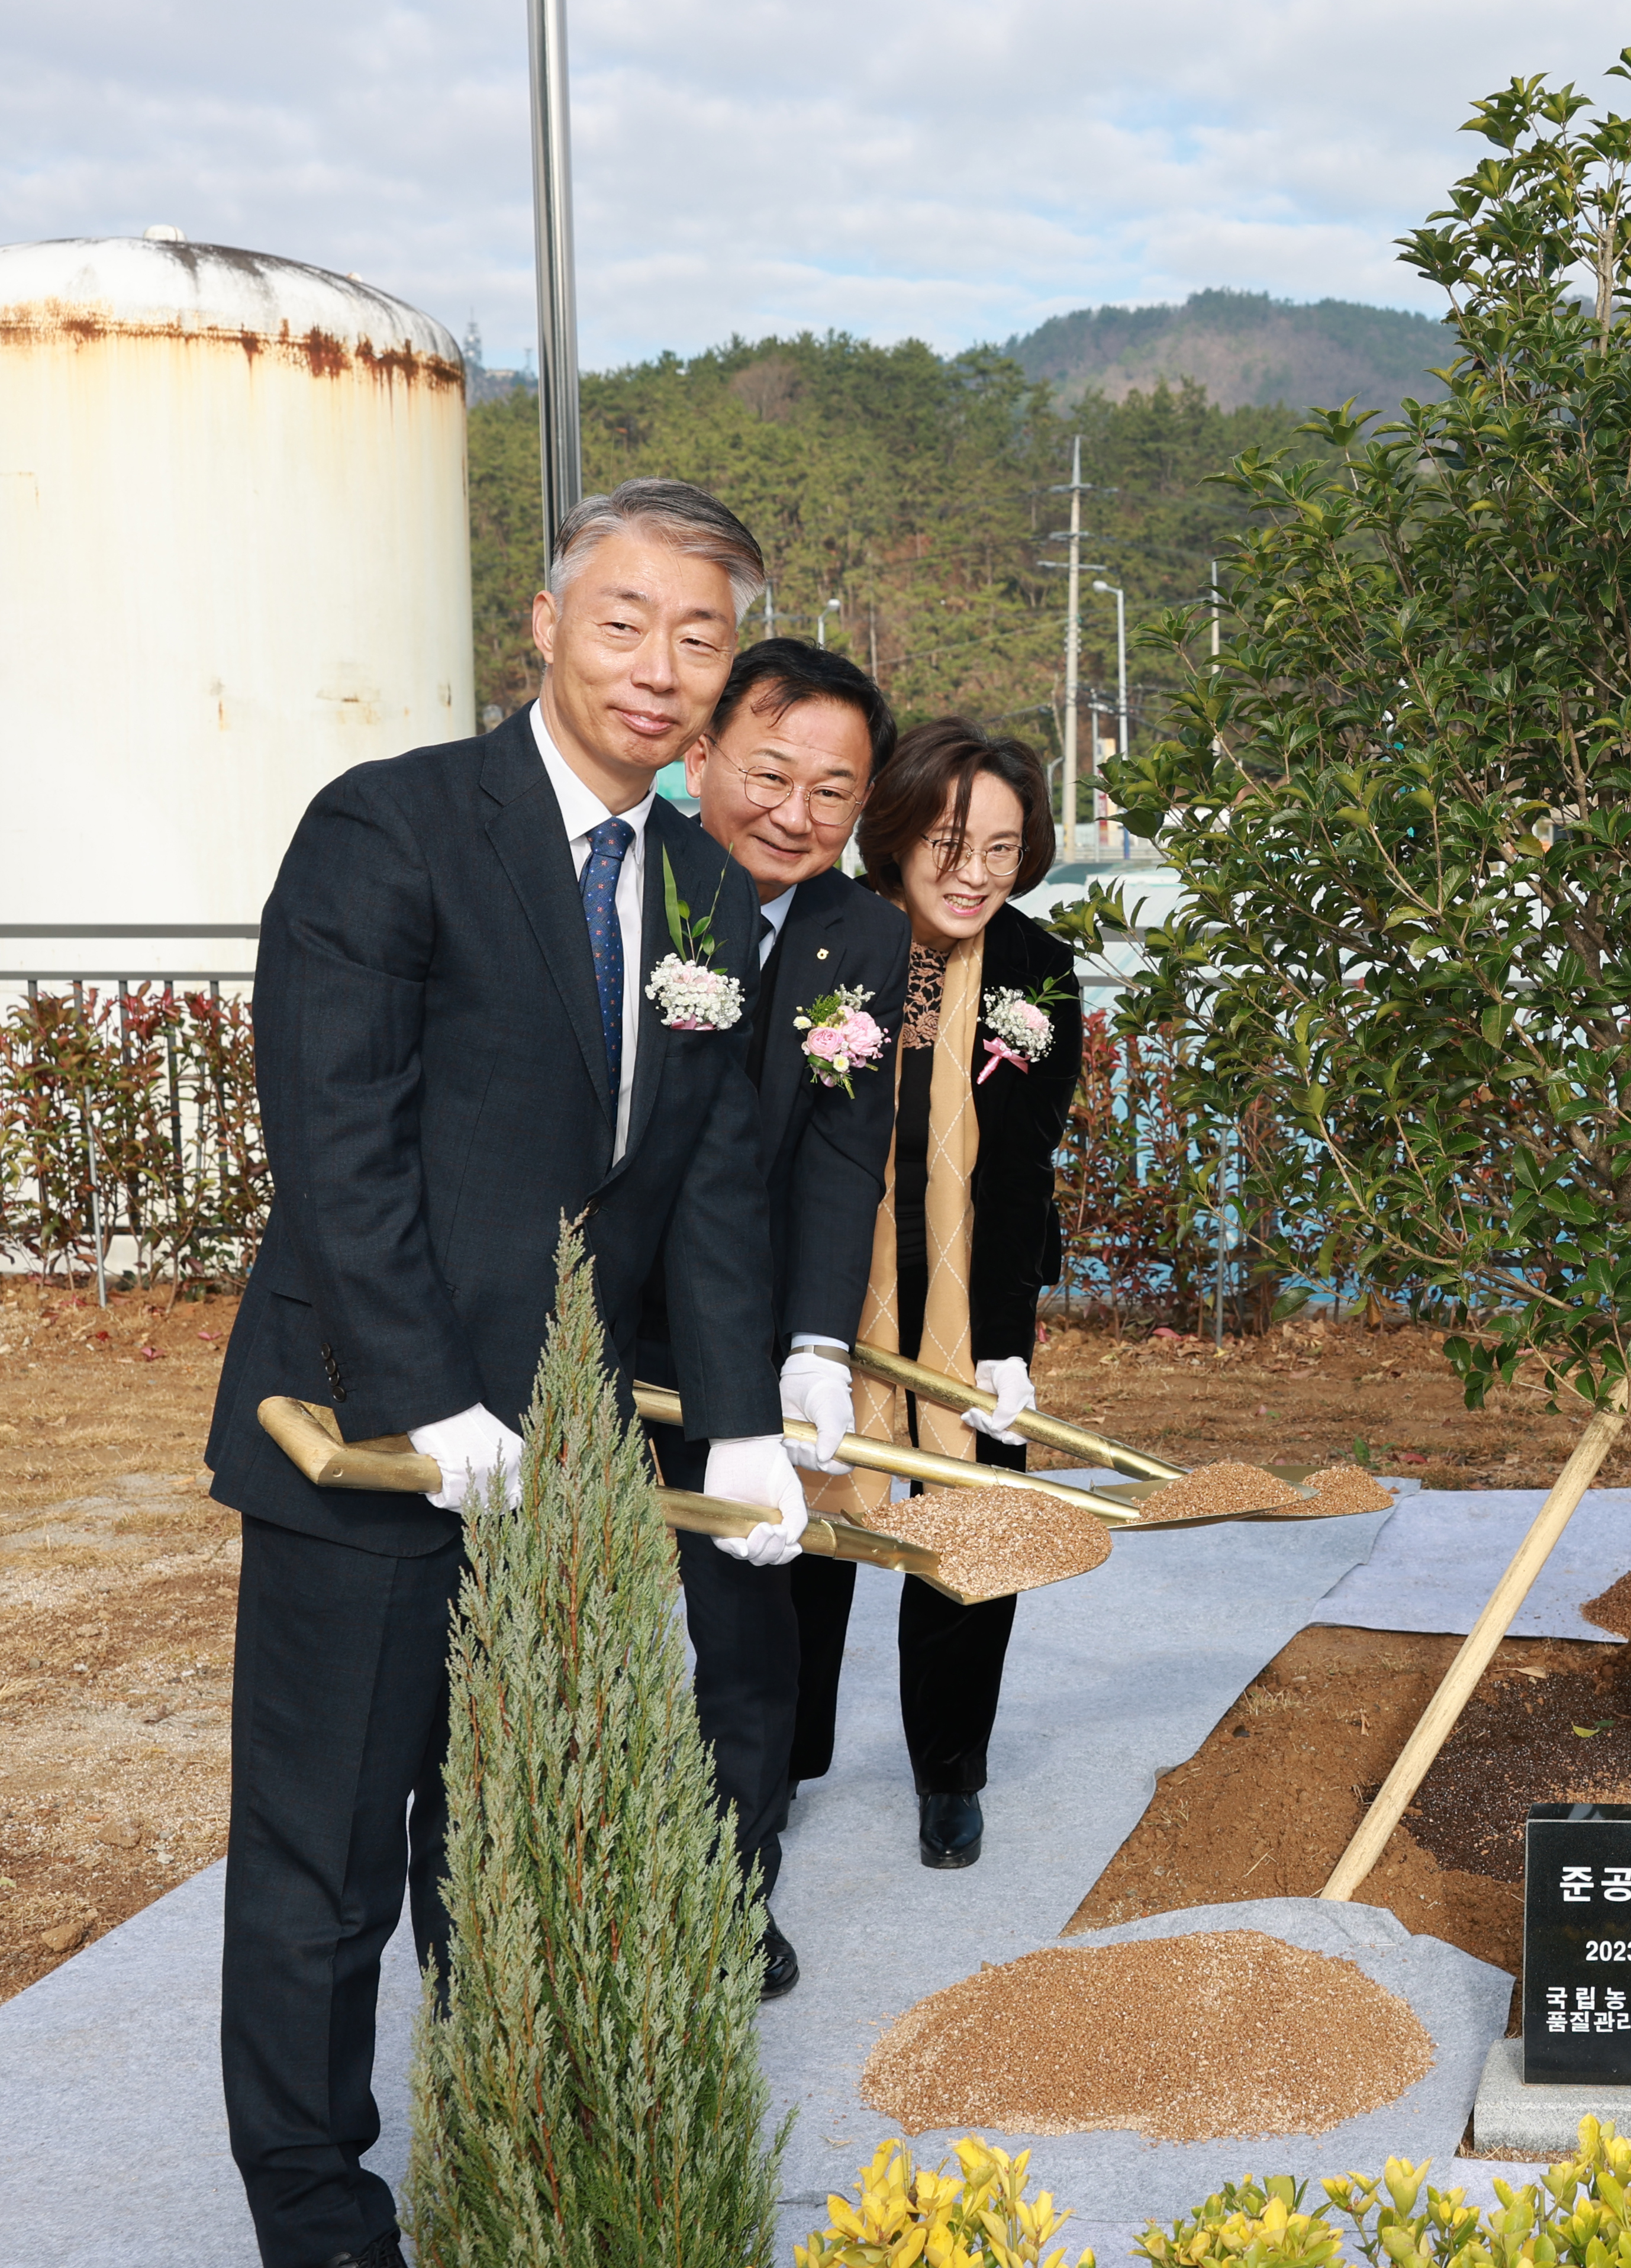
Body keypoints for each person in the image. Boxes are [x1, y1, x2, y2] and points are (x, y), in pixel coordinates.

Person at [205, 480, 805, 2268]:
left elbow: (708, 1184)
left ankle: (507, 2176)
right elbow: (337, 1137)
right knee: (327, 1865)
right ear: (544, 625)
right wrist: (422, 1391)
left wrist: (747, 1429)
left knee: (511, 1843)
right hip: (367, 1437)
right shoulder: (393, 825)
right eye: (625, 621)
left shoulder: (704, 885)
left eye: (699, 638)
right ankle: (321, 2216)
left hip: (571, 1460)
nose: (659, 666)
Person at [634, 638, 908, 2000]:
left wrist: (815, 1343)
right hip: (595, 1321)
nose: (797, 813)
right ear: (702, 758)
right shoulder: (627, 885)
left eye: (834, 791)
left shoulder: (866, 933)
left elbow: (842, 1155)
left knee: (753, 1627)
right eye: (771, 773)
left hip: (741, 1342)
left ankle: (735, 1889)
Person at [788, 720, 1084, 1871]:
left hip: (971, 1298)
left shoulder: (1036, 968)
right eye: (953, 844)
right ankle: (782, 1754)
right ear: (901, 832)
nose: (976, 873)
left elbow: (1021, 1171)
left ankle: (950, 1770)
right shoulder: (822, 936)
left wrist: (1004, 1340)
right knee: (807, 1523)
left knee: (975, 1522)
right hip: (825, 1283)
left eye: (1003, 849)